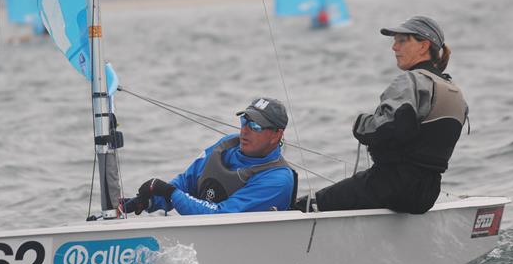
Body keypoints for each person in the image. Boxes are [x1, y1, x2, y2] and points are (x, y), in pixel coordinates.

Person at [296, 15, 468, 214]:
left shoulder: (411, 81)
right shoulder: (455, 92)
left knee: (307, 205)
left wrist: (360, 123)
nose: (394, 47)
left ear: (423, 46)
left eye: (402, 41)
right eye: (395, 41)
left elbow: (389, 128)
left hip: (389, 186)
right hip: (426, 194)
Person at [123, 97, 296, 216]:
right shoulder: (227, 145)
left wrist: (169, 192)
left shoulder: (278, 179)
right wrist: (147, 201)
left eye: (255, 126)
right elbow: (186, 182)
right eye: (244, 121)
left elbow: (220, 215)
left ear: (276, 135)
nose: (245, 130)